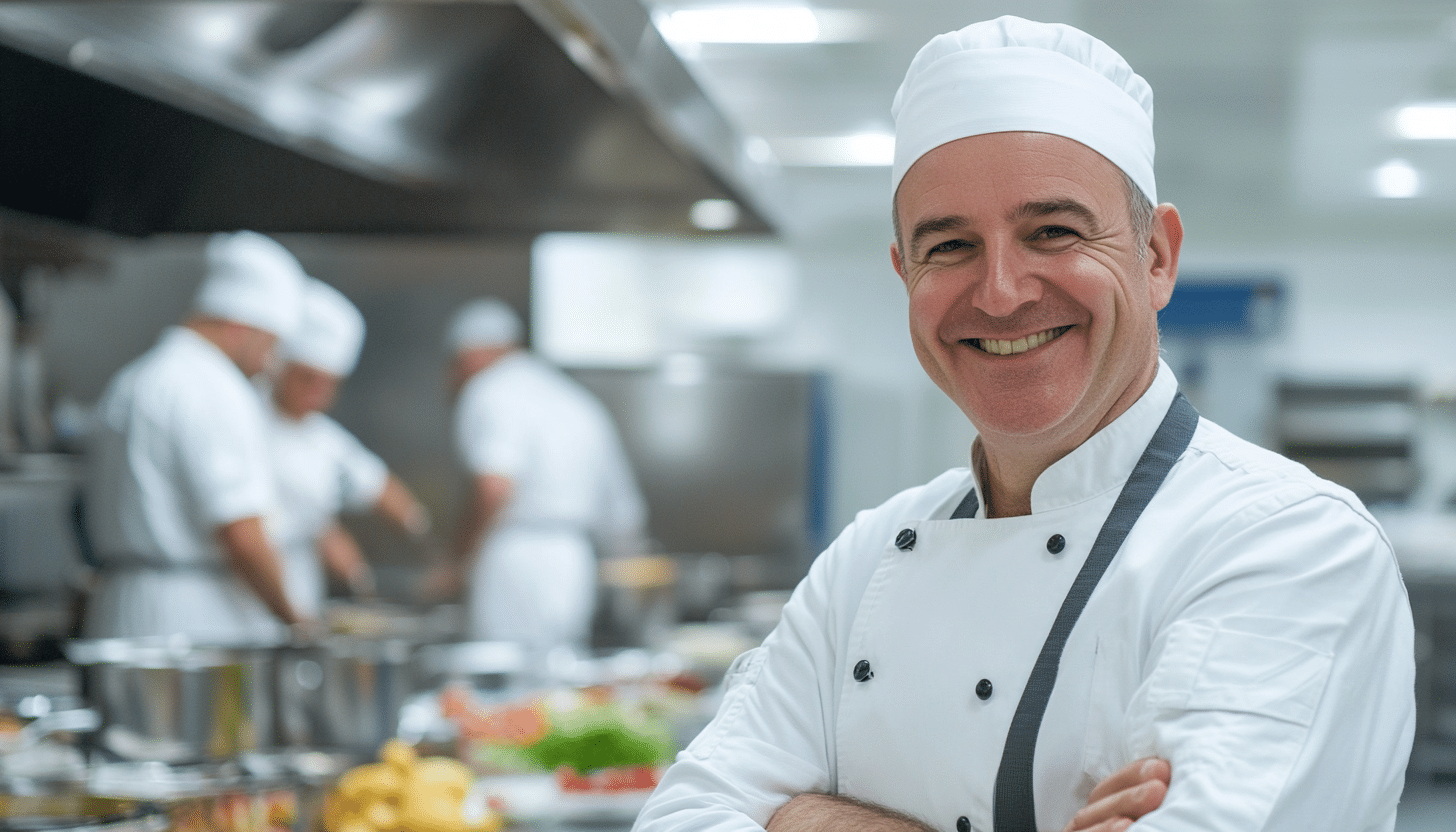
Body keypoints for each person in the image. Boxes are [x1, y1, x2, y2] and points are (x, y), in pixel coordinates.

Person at [635, 16, 1414, 832]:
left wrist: (804, 817)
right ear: (905, 274)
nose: (1001, 293)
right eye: (950, 246)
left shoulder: (1288, 545)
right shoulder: (864, 560)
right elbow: (683, 815)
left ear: (1157, 257)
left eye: (1054, 231)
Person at [83, 231, 308, 643]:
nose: (270, 363)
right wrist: (297, 621)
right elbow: (242, 535)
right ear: (240, 327)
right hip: (190, 628)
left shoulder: (134, 379)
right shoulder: (213, 389)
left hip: (119, 608)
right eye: (270, 344)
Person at [436, 297, 647, 658]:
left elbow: (494, 489)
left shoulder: (490, 390)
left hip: (515, 558)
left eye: (455, 364)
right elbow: (625, 515)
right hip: (574, 561)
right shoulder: (575, 399)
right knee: (559, 681)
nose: (453, 378)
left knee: (503, 681)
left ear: (472, 354)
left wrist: (458, 561)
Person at [264, 277, 433, 619]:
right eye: (307, 379)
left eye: (330, 385)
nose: (318, 395)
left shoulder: (320, 437)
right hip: (251, 590)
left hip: (298, 593)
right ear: (280, 367)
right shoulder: (242, 422)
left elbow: (381, 491)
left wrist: (427, 544)